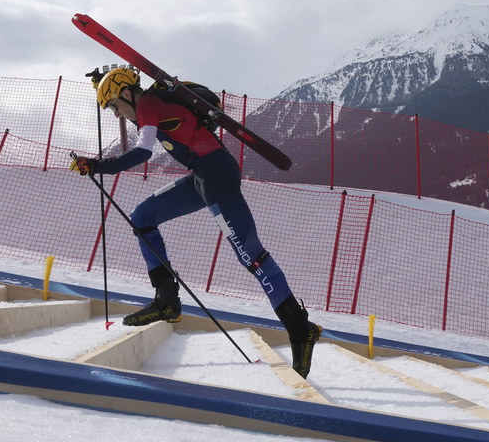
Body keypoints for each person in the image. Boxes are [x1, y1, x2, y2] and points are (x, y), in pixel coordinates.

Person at [70, 67, 321, 377]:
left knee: (251, 256)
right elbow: (141, 120)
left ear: (125, 94)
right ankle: (166, 299)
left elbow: (143, 151)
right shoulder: (147, 107)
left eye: (114, 107)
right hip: (202, 176)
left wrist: (98, 165)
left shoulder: (147, 103)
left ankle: (300, 329)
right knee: (143, 216)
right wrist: (102, 86)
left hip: (214, 176)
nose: (117, 115)